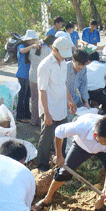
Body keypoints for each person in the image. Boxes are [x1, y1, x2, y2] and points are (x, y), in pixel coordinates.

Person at [32, 114, 106, 211]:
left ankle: (100, 204)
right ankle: (47, 199)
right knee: (63, 173)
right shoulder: (82, 126)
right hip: (82, 146)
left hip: (103, 151)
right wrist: (59, 156)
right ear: (95, 135)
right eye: (104, 141)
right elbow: (59, 132)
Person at [36, 37, 77, 171]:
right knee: (46, 138)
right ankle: (42, 166)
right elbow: (42, 90)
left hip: (61, 106)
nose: (63, 58)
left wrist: (70, 100)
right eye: (62, 55)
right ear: (54, 50)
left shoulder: (63, 63)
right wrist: (46, 113)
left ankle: (60, 161)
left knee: (62, 136)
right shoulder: (45, 65)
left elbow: (63, 84)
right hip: (49, 108)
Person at [29, 35, 56, 126]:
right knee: (43, 101)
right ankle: (42, 122)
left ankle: (33, 120)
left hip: (32, 76)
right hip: (43, 78)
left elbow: (30, 59)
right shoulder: (49, 51)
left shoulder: (33, 48)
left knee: (34, 100)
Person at [15, 29, 40, 123]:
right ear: (28, 39)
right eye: (32, 40)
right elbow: (22, 51)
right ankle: (20, 116)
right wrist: (32, 46)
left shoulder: (30, 46)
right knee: (22, 96)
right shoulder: (21, 45)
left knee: (27, 96)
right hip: (22, 74)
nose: (34, 41)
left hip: (28, 75)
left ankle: (26, 113)